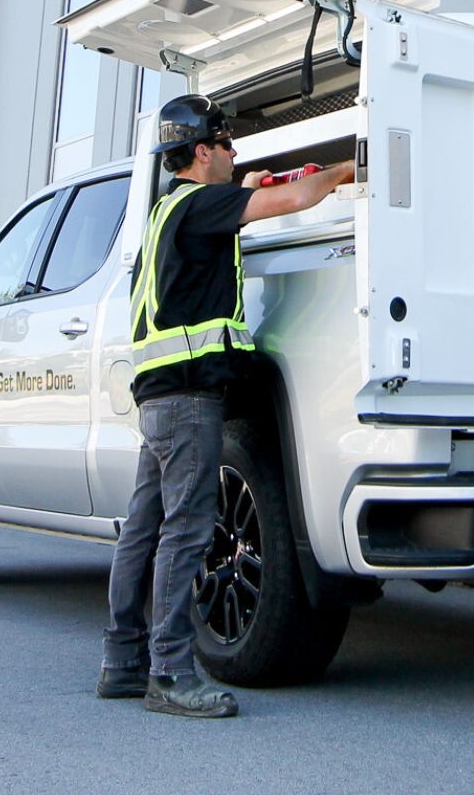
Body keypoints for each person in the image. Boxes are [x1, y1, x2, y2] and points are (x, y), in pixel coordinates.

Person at [98, 94, 355, 719]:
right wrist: (347, 169)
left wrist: (245, 187)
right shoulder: (202, 204)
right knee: (186, 534)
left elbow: (238, 205)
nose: (236, 153)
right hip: (189, 400)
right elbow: (295, 201)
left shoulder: (167, 212)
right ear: (202, 151)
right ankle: (171, 674)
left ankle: (123, 663)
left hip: (160, 397)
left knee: (143, 531)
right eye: (227, 144)